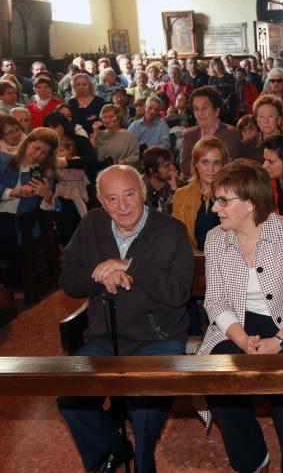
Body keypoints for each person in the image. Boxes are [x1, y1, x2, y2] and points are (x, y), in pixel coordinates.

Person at [194, 158, 283, 473]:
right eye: (215, 200)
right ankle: (252, 457)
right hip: (240, 326)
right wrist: (242, 339)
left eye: (223, 201)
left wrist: (280, 341)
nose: (215, 208)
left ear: (249, 203)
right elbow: (215, 300)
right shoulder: (216, 239)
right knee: (216, 374)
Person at [57, 165, 192, 473]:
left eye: (130, 194)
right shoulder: (92, 224)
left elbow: (178, 293)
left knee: (144, 406)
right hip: (104, 337)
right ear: (101, 202)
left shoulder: (171, 230)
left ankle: (145, 463)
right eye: (113, 198)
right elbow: (69, 280)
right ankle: (110, 450)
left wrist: (131, 264)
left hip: (158, 338)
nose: (122, 206)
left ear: (143, 192)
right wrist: (100, 277)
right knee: (70, 398)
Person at [0, 127, 59, 263]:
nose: (37, 155)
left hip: (22, 223)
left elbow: (55, 208)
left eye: (44, 153)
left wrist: (47, 196)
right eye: (36, 148)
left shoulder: (45, 174)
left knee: (6, 225)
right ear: (27, 143)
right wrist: (14, 192)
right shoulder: (4, 160)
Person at [173, 137, 230, 250]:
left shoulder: (234, 195)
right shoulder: (181, 195)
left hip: (227, 262)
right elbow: (175, 237)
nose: (211, 169)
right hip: (191, 262)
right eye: (205, 162)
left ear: (223, 165)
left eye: (216, 163)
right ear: (196, 164)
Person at [180, 86, 242, 178]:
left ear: (217, 110)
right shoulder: (188, 134)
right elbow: (185, 168)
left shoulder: (231, 134)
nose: (200, 113)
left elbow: (227, 168)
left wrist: (197, 164)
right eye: (196, 109)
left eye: (204, 108)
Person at [241, 94, 282, 164]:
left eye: (270, 116)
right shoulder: (246, 145)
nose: (266, 121)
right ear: (257, 121)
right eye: (261, 116)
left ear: (279, 119)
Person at [142, 146, 179, 214]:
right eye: (166, 166)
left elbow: (179, 212)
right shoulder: (138, 186)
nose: (173, 168)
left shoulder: (179, 184)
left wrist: (174, 189)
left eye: (172, 164)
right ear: (152, 170)